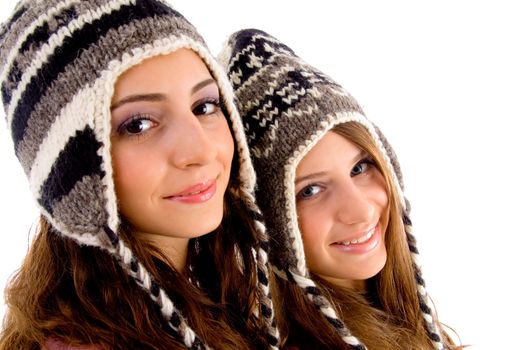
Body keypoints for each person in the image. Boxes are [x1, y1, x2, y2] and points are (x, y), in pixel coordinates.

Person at [0, 2, 279, 350]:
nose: (202, 150)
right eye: (138, 124)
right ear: (70, 169)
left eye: (205, 106)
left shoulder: (217, 300)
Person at [219, 29, 459, 349]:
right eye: (311, 190)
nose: (360, 211)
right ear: (270, 221)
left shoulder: (407, 317)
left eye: (360, 168)